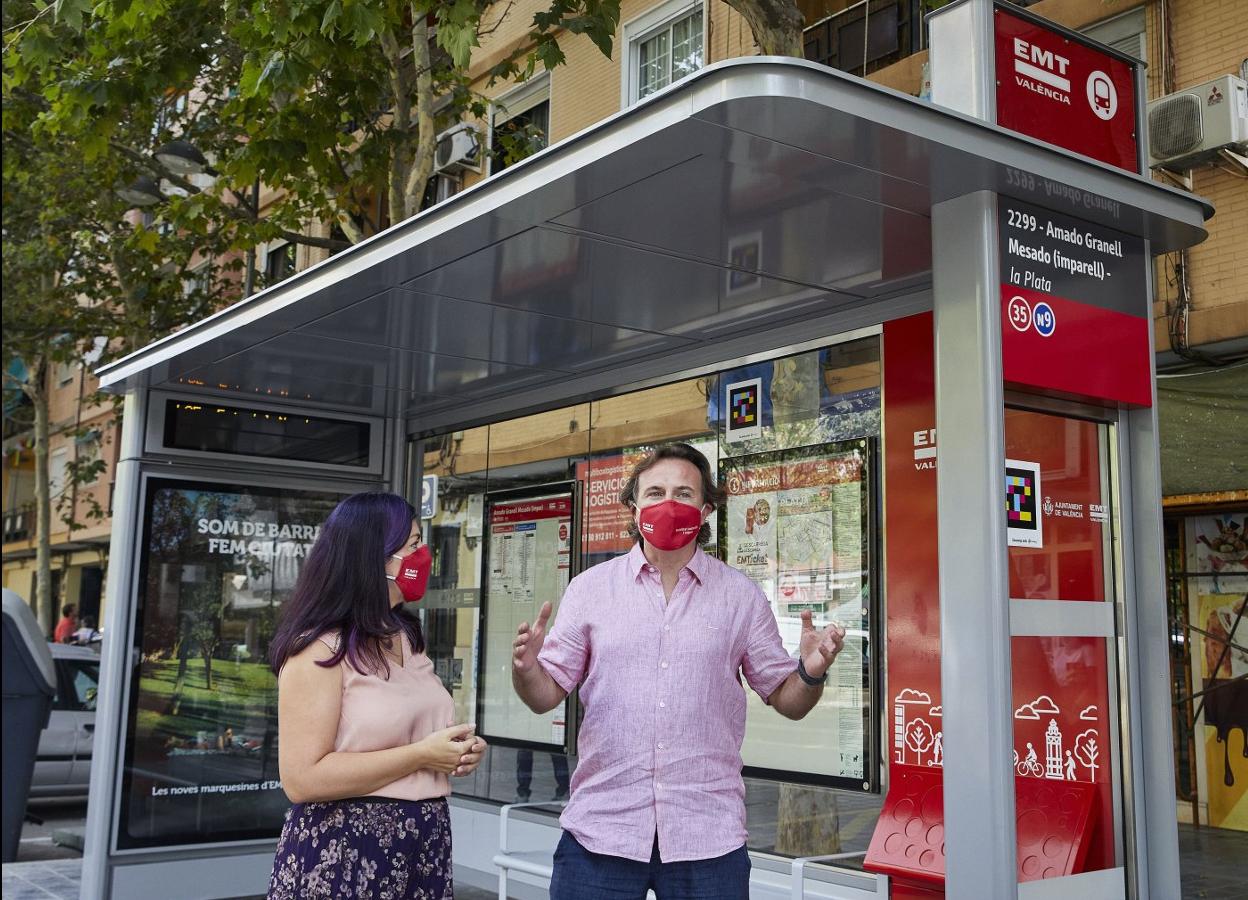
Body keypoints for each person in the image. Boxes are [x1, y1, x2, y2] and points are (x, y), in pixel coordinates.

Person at [512, 443, 846, 900]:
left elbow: (787, 700)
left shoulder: (740, 596)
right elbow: (544, 694)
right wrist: (526, 668)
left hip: (707, 836)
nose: (668, 503)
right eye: (655, 492)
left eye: (684, 493)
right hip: (601, 832)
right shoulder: (589, 590)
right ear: (634, 506)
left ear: (706, 508)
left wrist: (810, 672)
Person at [266, 492, 487, 900]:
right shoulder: (318, 649)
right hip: (346, 849)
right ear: (373, 557)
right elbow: (301, 780)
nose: (425, 556)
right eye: (414, 545)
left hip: (424, 840)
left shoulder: (405, 636)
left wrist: (457, 751)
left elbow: (414, 734)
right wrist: (422, 755)